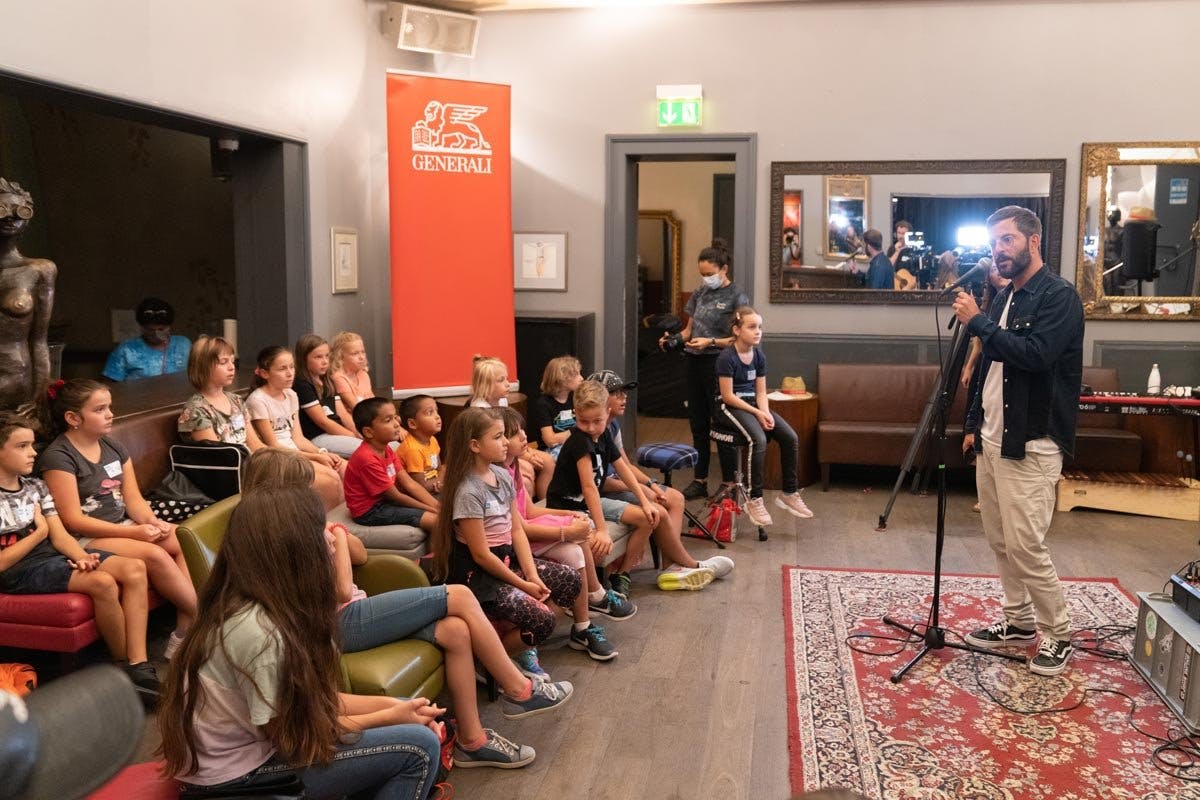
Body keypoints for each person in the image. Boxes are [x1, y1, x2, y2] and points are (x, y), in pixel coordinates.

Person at [238, 448, 574, 769]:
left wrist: (334, 532)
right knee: (458, 595)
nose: (311, 496)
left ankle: (472, 742)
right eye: (304, 489)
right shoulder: (285, 540)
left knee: (456, 630)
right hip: (337, 622)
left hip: (355, 610)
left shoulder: (309, 527)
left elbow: (361, 555)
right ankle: (519, 690)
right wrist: (337, 538)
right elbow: (341, 588)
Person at [156, 486, 443, 798]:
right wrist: (389, 717)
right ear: (294, 549)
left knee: (406, 713)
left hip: (261, 746)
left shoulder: (261, 604)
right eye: (321, 530)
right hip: (237, 778)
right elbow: (298, 737)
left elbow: (316, 704)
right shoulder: (259, 633)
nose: (332, 538)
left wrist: (397, 707)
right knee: (419, 748)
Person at [953, 205, 1084, 677]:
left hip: (1032, 441)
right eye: (994, 243)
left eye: (1007, 240)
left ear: (1033, 241)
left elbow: (1035, 355)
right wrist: (973, 423)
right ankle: (1020, 621)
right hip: (992, 438)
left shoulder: (1059, 297)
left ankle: (1059, 634)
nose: (998, 251)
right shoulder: (1006, 296)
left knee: (1026, 545)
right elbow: (989, 368)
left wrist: (978, 322)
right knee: (1001, 541)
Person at [36, 378, 197, 659]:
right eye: (99, 409)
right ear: (73, 418)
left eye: (109, 407)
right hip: (86, 537)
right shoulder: (58, 457)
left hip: (123, 525)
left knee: (185, 538)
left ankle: (183, 634)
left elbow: (133, 499)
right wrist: (136, 533)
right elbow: (73, 520)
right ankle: (206, 616)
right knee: (155, 554)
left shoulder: (113, 447)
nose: (110, 414)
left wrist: (152, 521)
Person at [0, 412, 158, 698]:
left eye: (32, 445)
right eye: (22, 446)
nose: (33, 453)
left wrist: (82, 557)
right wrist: (38, 533)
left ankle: (139, 664)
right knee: (102, 583)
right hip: (19, 570)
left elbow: (60, 536)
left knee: (134, 568)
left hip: (50, 557)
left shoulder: (36, 487)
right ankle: (123, 665)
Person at [547, 380, 730, 596]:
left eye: (597, 421)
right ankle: (693, 565)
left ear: (607, 412)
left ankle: (622, 575)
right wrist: (602, 530)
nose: (591, 428)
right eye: (583, 421)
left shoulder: (603, 434)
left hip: (587, 501)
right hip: (571, 505)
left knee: (651, 515)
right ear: (575, 413)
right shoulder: (580, 441)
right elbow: (588, 487)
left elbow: (623, 468)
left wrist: (645, 501)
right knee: (651, 515)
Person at [428, 408, 584, 661]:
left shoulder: (501, 474)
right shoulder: (468, 491)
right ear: (475, 445)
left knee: (570, 580)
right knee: (543, 620)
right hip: (479, 576)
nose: (505, 442)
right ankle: (487, 662)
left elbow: (516, 529)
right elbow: (481, 555)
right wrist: (523, 585)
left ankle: (518, 646)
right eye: (498, 437)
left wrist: (532, 575)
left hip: (506, 561)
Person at [499, 407, 630, 664]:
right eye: (515, 434)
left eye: (522, 430)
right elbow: (518, 528)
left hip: (524, 534)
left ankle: (583, 626)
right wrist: (565, 531)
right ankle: (595, 597)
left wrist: (568, 513)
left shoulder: (513, 467)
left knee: (575, 542)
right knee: (575, 540)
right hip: (512, 544)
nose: (524, 436)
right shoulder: (500, 475)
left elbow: (529, 510)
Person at [177, 335, 343, 510]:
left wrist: (294, 459)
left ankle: (324, 525)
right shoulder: (196, 409)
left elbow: (256, 445)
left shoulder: (235, 400)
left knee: (331, 475)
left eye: (232, 361)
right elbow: (219, 460)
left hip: (258, 462)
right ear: (203, 366)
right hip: (237, 474)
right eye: (223, 362)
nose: (231, 367)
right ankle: (319, 526)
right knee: (325, 483)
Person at [663, 238, 750, 500]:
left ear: (724, 269)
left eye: (710, 273)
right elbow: (689, 330)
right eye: (702, 274)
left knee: (721, 425)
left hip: (719, 364)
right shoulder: (700, 293)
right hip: (694, 362)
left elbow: (741, 338)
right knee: (698, 424)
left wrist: (711, 342)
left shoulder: (737, 297)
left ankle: (728, 484)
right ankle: (699, 480)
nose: (706, 278)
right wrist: (673, 340)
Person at [716, 308, 814, 527]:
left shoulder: (759, 356)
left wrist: (766, 413)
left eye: (759, 327)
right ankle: (754, 499)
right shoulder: (727, 357)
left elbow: (761, 392)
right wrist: (758, 413)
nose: (757, 331)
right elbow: (728, 396)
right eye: (752, 327)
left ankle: (789, 493)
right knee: (758, 439)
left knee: (790, 437)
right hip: (728, 407)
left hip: (753, 405)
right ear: (737, 330)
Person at [246, 346, 346, 477]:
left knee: (345, 467)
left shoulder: (291, 395)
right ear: (265, 373)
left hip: (296, 453)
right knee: (332, 476)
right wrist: (315, 457)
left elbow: (298, 438)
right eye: (282, 369)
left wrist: (322, 452)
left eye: (292, 367)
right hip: (279, 459)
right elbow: (273, 445)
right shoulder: (258, 400)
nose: (290, 373)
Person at [0, 177, 55, 411]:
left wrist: (40, 397)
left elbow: (40, 340)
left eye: (18, 210)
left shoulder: (39, 270)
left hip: (15, 379)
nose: (9, 217)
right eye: (3, 209)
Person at [345, 398, 438, 532]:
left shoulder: (386, 449)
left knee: (440, 510)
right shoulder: (366, 459)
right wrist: (430, 509)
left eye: (395, 417)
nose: (396, 424)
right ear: (368, 432)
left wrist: (436, 506)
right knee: (435, 520)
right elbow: (395, 496)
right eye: (388, 420)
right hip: (370, 511)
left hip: (385, 501)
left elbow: (410, 483)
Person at [469, 355, 554, 500]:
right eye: (501, 380)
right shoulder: (480, 411)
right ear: (485, 385)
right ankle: (524, 509)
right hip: (496, 457)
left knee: (548, 461)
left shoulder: (502, 401)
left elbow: (512, 433)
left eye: (507, 379)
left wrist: (527, 452)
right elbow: (497, 444)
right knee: (527, 472)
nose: (508, 384)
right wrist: (526, 455)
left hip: (511, 449)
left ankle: (544, 502)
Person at [294, 333, 361, 458]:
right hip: (318, 436)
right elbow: (323, 422)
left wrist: (359, 432)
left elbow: (343, 414)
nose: (325, 361)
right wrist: (352, 436)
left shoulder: (327, 380)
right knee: (369, 451)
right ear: (304, 359)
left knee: (388, 446)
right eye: (318, 357)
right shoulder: (301, 384)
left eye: (327, 356)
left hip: (338, 432)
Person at [102, 297, 192, 382]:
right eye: (150, 330)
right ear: (141, 327)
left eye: (161, 329)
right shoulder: (126, 350)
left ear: (169, 327)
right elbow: (108, 384)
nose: (156, 334)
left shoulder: (183, 344)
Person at [529, 355, 583, 460]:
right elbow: (550, 440)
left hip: (574, 443)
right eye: (576, 374)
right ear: (562, 379)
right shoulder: (544, 404)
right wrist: (575, 430)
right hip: (552, 450)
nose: (581, 378)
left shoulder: (576, 398)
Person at [398, 394, 445, 496]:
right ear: (412, 424)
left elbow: (439, 469)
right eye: (429, 412)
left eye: (437, 411)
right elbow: (421, 487)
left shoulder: (432, 440)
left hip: (433, 484)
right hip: (415, 495)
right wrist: (444, 479)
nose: (437, 416)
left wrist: (441, 479)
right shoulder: (412, 450)